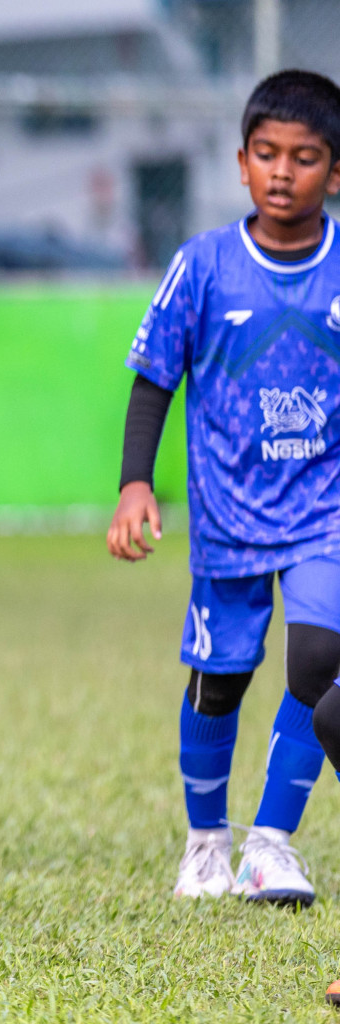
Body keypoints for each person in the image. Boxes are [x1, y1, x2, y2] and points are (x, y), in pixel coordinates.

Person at [109, 69, 340, 908]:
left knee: (320, 660)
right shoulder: (203, 265)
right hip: (230, 515)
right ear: (242, 162)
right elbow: (152, 380)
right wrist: (137, 484)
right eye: (268, 155)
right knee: (221, 681)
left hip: (327, 508)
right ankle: (206, 841)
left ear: (335, 172)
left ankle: (271, 844)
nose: (283, 172)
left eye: (305, 157)